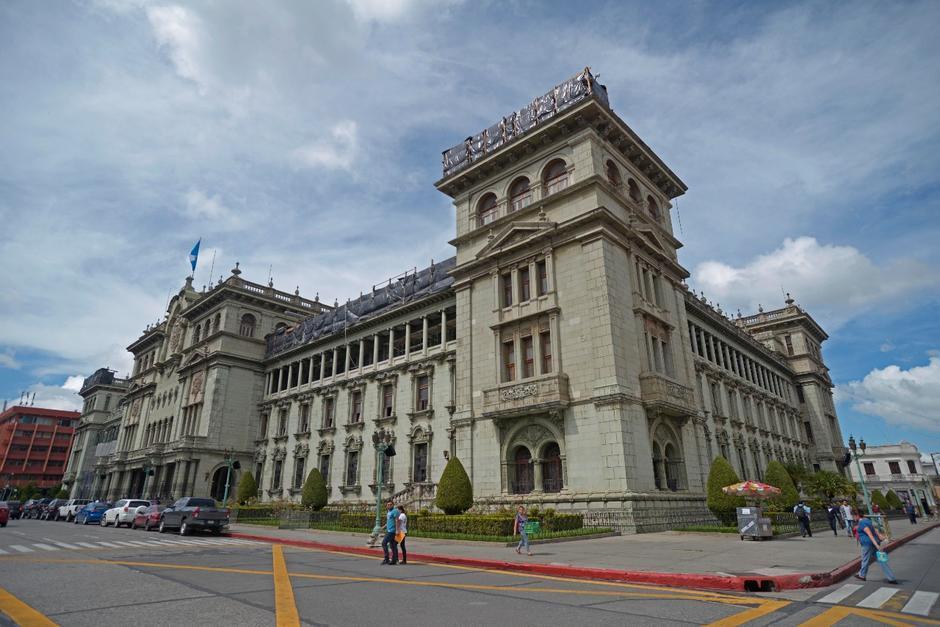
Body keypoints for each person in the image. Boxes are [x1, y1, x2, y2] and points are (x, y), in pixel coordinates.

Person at [854, 512, 898, 584]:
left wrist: (877, 546)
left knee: (865, 560)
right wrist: (880, 538)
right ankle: (891, 578)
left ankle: (862, 575)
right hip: (873, 543)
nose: (853, 518)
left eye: (854, 516)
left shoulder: (862, 523)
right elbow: (875, 531)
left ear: (857, 515)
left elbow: (870, 534)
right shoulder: (867, 521)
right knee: (880, 561)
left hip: (867, 544)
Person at [380, 500, 400, 565]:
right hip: (389, 530)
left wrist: (397, 530)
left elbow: (397, 520)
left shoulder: (395, 511)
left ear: (393, 505)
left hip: (392, 531)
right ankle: (394, 560)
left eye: (390, 504)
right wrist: (384, 526)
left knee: (384, 543)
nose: (389, 505)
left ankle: (387, 559)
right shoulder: (389, 512)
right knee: (393, 545)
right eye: (388, 504)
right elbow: (389, 521)